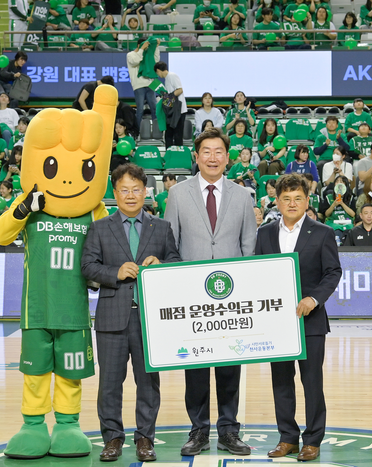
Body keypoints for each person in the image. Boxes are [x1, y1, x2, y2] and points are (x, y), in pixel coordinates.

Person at [163, 127, 257, 457]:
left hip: (231, 298)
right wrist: (179, 286)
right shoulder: (178, 194)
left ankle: (229, 430)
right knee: (196, 368)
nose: (213, 157)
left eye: (219, 152)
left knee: (230, 365)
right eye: (207, 152)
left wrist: (245, 291)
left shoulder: (243, 196)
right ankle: (199, 430)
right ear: (196, 156)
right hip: (192, 298)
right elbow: (170, 245)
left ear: (227, 157)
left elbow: (249, 246)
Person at [81, 163, 181, 463]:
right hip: (112, 317)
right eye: (124, 190)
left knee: (148, 383)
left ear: (145, 192)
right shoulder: (100, 227)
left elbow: (176, 262)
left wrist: (161, 265)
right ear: (115, 193)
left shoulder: (161, 227)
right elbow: (88, 267)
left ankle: (145, 438)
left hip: (150, 320)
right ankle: (112, 438)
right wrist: (116, 272)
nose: (130, 195)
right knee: (109, 384)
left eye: (136, 189)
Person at [254, 173, 341, 462]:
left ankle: (313, 440)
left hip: (311, 321)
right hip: (276, 322)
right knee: (281, 382)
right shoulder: (264, 233)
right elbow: (256, 272)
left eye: (298, 198)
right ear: (277, 202)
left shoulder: (323, 232)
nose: (292, 203)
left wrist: (313, 299)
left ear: (307, 201)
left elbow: (333, 272)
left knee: (312, 382)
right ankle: (287, 438)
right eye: (286, 198)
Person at [127, 38, 160, 134]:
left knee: (154, 108)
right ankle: (137, 132)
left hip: (150, 84)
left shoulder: (148, 54)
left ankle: (157, 132)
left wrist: (156, 47)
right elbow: (135, 61)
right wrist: (142, 49)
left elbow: (156, 61)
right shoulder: (130, 54)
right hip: (138, 86)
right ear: (139, 45)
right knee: (140, 109)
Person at [154, 61, 187, 148]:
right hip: (171, 110)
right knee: (168, 134)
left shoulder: (172, 76)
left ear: (158, 70)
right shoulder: (167, 79)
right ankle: (169, 153)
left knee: (177, 135)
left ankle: (178, 154)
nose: (158, 75)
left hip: (179, 110)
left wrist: (168, 97)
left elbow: (180, 90)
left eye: (157, 73)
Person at [321, 174, 356, 241]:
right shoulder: (328, 197)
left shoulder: (350, 198)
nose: (339, 183)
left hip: (347, 223)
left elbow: (353, 214)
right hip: (333, 223)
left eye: (342, 182)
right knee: (337, 233)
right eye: (337, 181)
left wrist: (342, 203)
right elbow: (326, 214)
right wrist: (334, 205)